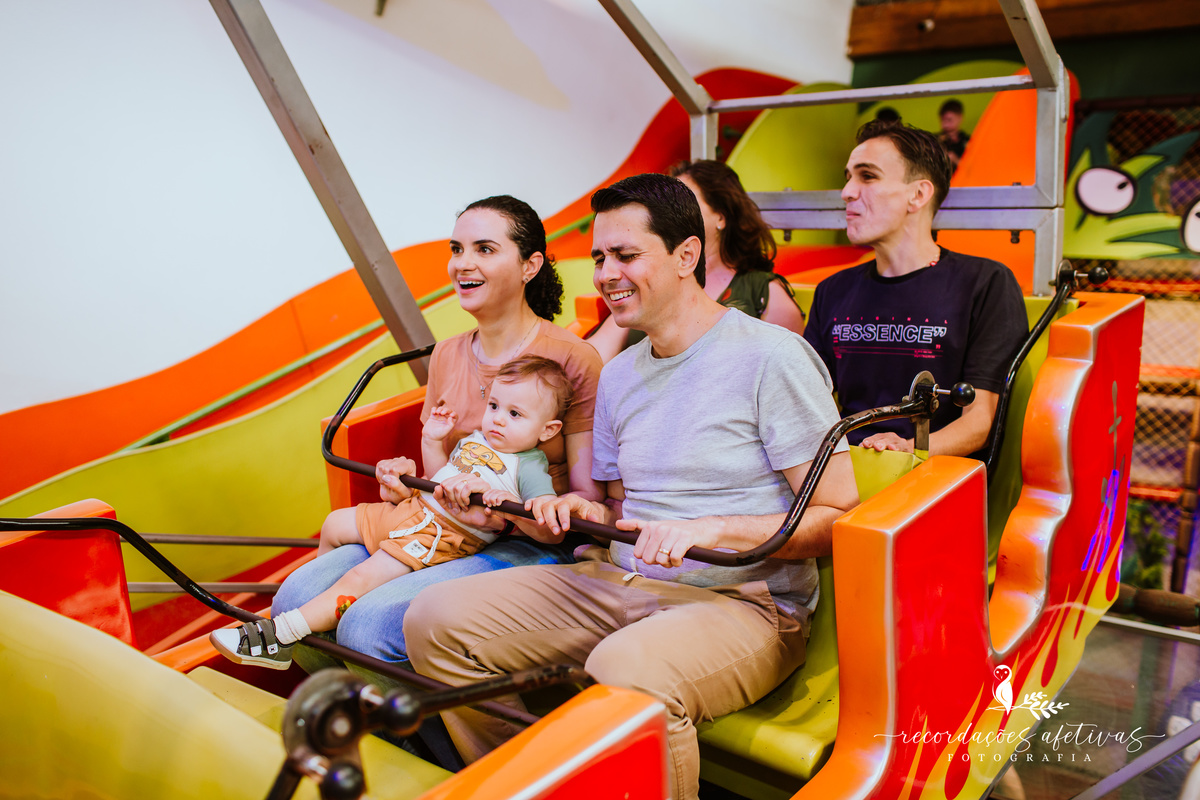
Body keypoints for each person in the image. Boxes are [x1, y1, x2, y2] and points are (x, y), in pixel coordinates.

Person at [404, 173, 860, 800]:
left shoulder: (770, 357)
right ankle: (549, 782)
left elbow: (839, 517)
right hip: (619, 578)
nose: (605, 274)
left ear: (686, 256)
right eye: (598, 258)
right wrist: (573, 505)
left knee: (625, 670)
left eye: (625, 255)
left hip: (745, 602)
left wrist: (713, 530)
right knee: (434, 619)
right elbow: (615, 508)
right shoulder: (618, 376)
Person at [269, 195, 604, 678]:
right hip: (439, 523)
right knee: (292, 599)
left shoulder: (572, 360)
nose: (463, 264)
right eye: (457, 248)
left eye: (485, 249)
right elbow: (443, 470)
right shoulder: (447, 354)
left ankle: (434, 743)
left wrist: (511, 509)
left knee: (365, 627)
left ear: (530, 265)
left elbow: (586, 496)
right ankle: (380, 719)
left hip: (523, 540)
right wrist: (403, 480)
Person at [211, 357, 572, 670]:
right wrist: (432, 440)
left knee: (362, 576)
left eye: (514, 414)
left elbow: (543, 524)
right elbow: (437, 477)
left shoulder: (529, 465)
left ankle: (282, 635)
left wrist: (501, 501)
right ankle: (323, 613)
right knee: (334, 523)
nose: (498, 420)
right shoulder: (476, 439)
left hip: (440, 534)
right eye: (494, 406)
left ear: (548, 429)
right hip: (415, 509)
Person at [804, 120, 1027, 457]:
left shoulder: (984, 282)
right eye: (848, 177)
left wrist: (907, 449)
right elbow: (806, 403)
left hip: (933, 481)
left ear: (918, 194)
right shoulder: (832, 291)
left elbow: (979, 423)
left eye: (867, 176)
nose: (847, 192)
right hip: (841, 471)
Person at [586, 160, 804, 362]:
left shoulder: (764, 293)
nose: (671, 212)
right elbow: (594, 355)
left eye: (685, 202)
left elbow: (786, 368)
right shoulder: (649, 292)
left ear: (721, 215)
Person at [938, 98, 970, 172]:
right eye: (943, 120)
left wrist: (956, 160)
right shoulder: (935, 141)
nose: (945, 124)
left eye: (949, 120)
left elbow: (974, 168)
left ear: (960, 118)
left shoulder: (969, 141)